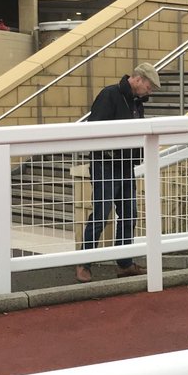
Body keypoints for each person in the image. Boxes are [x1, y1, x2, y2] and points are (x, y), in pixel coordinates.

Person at [75, 64, 162, 284]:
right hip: (105, 163)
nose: (149, 92)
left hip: (124, 164)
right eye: (149, 87)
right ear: (139, 79)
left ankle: (124, 263)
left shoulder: (133, 100)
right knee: (101, 214)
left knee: (129, 213)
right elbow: (94, 128)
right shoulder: (110, 95)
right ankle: (85, 262)